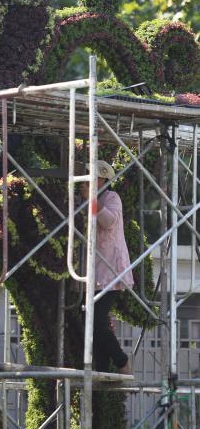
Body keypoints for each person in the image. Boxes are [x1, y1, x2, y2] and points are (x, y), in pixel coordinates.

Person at [80, 159, 133, 374]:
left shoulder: (112, 198)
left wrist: (91, 200)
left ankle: (122, 362)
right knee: (89, 321)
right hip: (92, 271)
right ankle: (101, 368)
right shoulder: (86, 199)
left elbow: (108, 221)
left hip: (111, 269)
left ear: (103, 180)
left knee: (97, 319)